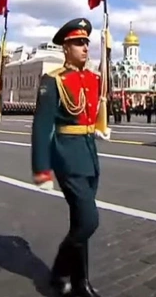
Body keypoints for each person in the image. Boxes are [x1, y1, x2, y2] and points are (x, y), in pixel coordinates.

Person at [31, 18, 103, 297]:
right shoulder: (53, 81)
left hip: (89, 152)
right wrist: (41, 167)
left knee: (79, 221)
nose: (85, 47)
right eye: (78, 42)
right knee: (89, 221)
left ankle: (80, 282)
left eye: (86, 42)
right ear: (65, 47)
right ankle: (60, 270)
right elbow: (42, 125)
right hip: (67, 154)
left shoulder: (93, 78)